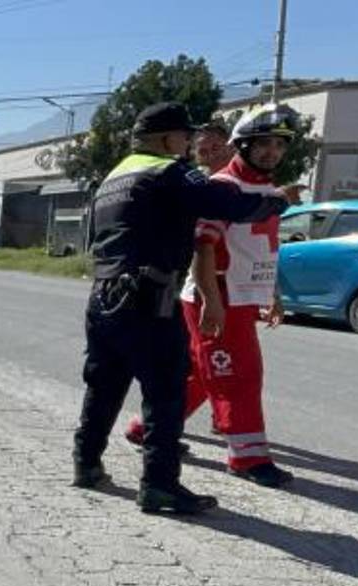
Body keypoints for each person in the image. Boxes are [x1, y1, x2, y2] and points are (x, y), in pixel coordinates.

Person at [72, 102, 297, 514]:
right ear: (165, 139)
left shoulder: (113, 176)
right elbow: (224, 203)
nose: (189, 143)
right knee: (166, 392)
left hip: (102, 295)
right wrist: (276, 201)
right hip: (148, 295)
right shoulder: (168, 170)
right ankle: (159, 485)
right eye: (184, 136)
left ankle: (86, 464)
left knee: (103, 385)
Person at [129, 105, 301, 488]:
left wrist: (271, 293)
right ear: (243, 145)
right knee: (237, 374)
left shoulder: (265, 190)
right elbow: (203, 247)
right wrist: (212, 300)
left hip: (240, 296)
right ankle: (248, 457)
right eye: (263, 144)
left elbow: (262, 250)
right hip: (217, 294)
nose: (272, 152)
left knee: (204, 374)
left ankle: (147, 428)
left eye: (278, 145)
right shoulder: (225, 187)